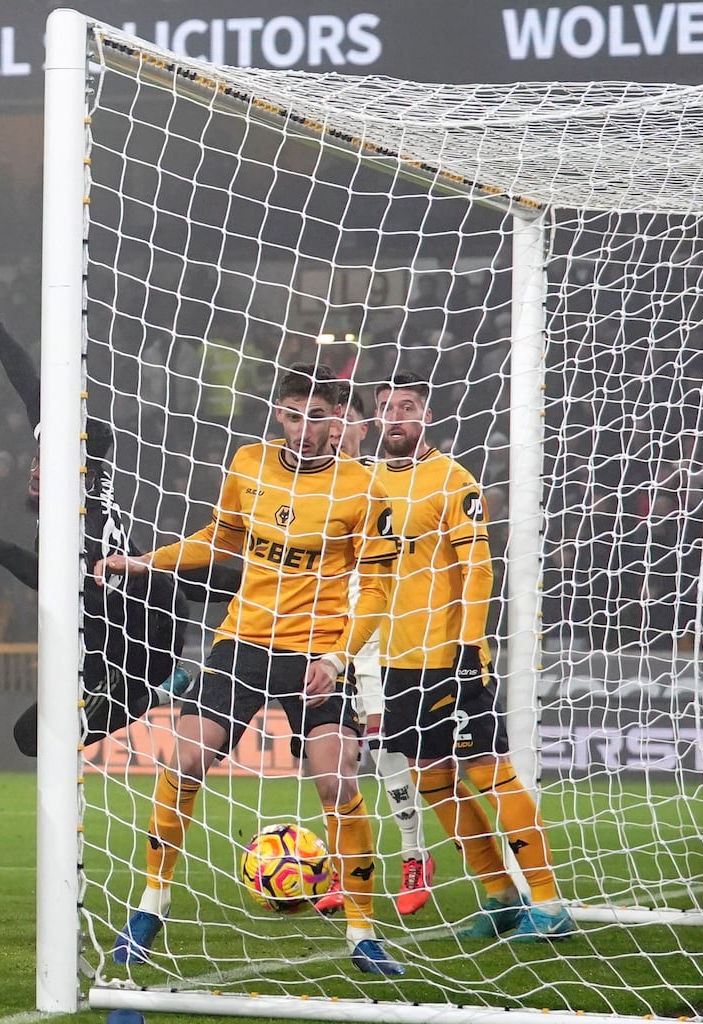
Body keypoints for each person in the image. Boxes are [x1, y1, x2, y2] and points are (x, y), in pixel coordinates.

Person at [96, 365, 407, 977]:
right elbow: (221, 540)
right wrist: (144, 562)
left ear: (339, 418)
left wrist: (338, 656)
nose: (305, 429)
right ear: (279, 415)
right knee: (184, 757)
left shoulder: (363, 489)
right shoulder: (248, 464)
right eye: (295, 415)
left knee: (336, 780)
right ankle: (150, 907)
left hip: (315, 657)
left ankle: (363, 933)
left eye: (318, 417)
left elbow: (375, 588)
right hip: (242, 642)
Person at [0, 263, 185, 756]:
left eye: (46, 459)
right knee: (30, 738)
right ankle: (126, 696)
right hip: (107, 643)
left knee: (116, 605)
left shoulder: (79, 509)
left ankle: (161, 683)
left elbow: (51, 578)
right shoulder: (71, 487)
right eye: (39, 456)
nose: (35, 467)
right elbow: (31, 390)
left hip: (143, 637)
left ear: (73, 463)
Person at [371, 370, 575, 942]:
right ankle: (498, 894)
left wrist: (470, 644)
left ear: (426, 415)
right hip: (396, 658)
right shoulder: (366, 483)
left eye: (407, 406)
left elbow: (477, 569)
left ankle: (550, 903)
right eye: (386, 407)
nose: (396, 417)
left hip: (450, 656)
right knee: (429, 777)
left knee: (490, 772)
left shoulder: (452, 479)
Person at [315, 389, 436, 918]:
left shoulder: (380, 482)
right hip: (324, 635)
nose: (336, 430)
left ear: (365, 431)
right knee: (334, 763)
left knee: (385, 752)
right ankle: (346, 868)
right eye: (330, 421)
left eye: (348, 422)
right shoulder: (311, 485)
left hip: (379, 639)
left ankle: (414, 855)